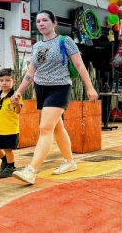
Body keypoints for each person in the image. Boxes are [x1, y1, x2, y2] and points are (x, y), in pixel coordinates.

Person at [11, 10, 98, 185]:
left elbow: (79, 65)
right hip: (41, 89)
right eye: (38, 21)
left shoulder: (65, 41)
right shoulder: (36, 47)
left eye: (45, 20)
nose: (41, 24)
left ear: (54, 23)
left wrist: (90, 87)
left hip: (60, 87)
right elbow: (31, 73)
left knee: (45, 128)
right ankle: (70, 162)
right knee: (57, 128)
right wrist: (19, 91)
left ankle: (31, 170)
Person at [0, 68, 23, 178]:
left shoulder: (16, 96)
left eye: (7, 80)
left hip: (10, 129)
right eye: (1, 80)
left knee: (8, 149)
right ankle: (5, 161)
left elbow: (18, 112)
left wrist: (16, 104)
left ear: (13, 82)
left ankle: (10, 167)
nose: (4, 82)